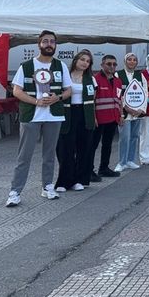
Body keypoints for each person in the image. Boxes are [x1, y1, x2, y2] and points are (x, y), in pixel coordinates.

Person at [6, 30, 73, 207]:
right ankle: (15, 191)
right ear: (39, 44)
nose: (49, 44)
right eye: (45, 41)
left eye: (52, 41)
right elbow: (16, 90)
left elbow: (68, 90)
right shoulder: (27, 66)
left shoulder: (61, 66)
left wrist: (57, 98)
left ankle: (47, 186)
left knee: (49, 154)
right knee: (24, 155)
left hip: (54, 115)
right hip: (31, 115)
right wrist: (36, 101)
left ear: (55, 45)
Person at [56, 50, 96, 192]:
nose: (85, 63)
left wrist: (94, 117)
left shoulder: (91, 79)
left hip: (84, 114)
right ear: (75, 60)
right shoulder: (65, 76)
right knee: (65, 148)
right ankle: (64, 181)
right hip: (68, 113)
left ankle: (79, 179)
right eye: (82, 59)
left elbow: (93, 99)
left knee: (83, 147)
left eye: (88, 61)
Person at [92, 55, 123, 180]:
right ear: (102, 65)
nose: (112, 66)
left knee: (107, 145)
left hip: (112, 118)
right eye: (109, 64)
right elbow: (92, 100)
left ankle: (104, 168)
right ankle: (89, 170)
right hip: (99, 119)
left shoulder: (118, 81)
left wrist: (121, 115)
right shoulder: (95, 79)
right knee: (92, 145)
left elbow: (119, 99)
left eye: (114, 64)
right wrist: (93, 117)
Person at [115, 53, 145, 172]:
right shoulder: (118, 74)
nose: (132, 62)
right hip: (124, 112)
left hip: (137, 112)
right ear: (125, 61)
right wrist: (126, 108)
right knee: (125, 137)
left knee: (134, 136)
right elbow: (117, 94)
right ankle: (122, 162)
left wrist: (141, 109)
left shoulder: (140, 75)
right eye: (129, 59)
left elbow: (145, 92)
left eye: (134, 60)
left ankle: (130, 160)